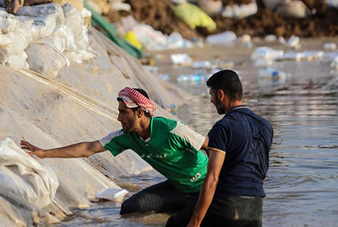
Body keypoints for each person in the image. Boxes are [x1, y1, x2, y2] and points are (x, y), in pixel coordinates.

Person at [21, 87, 208, 215]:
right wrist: (44, 153)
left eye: (123, 112)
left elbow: (212, 147)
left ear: (140, 113)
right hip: (177, 187)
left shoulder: (172, 128)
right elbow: (88, 148)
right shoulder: (125, 136)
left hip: (206, 186)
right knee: (129, 209)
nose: (119, 117)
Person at [165, 70, 273, 227]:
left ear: (221, 94)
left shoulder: (223, 127)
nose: (211, 100)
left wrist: (194, 224)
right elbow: (263, 175)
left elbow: (212, 178)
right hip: (255, 211)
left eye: (212, 94)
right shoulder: (265, 126)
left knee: (172, 226)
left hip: (226, 208)